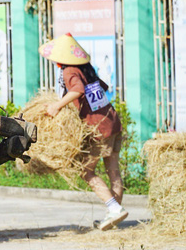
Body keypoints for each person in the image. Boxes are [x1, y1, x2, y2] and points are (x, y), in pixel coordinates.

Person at [40, 33, 128, 231]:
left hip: (98, 127)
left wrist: (57, 106)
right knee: (113, 170)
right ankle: (114, 214)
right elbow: (100, 88)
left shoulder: (69, 70)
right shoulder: (85, 68)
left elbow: (78, 90)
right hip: (112, 122)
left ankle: (114, 209)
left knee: (85, 171)